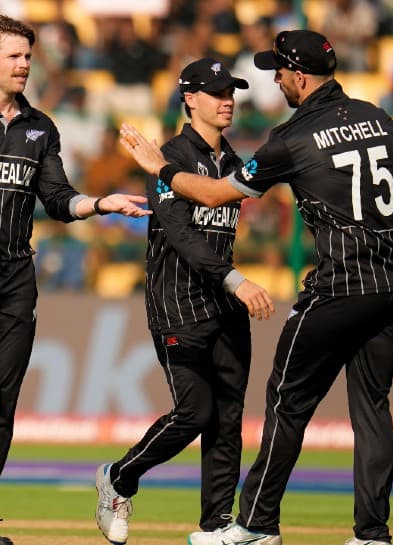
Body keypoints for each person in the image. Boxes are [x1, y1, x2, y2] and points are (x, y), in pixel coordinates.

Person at [119, 29, 393, 545]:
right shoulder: (380, 117)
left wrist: (162, 169)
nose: (276, 80)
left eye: (279, 71)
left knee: (286, 399)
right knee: (372, 406)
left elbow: (215, 193)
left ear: (299, 76)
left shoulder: (292, 137)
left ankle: (258, 526)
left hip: (343, 285)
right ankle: (372, 535)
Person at [0, 14, 149, 545]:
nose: (24, 64)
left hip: (15, 276)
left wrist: (99, 203)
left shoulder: (41, 127)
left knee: (0, 404)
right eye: (13, 56)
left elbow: (58, 199)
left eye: (27, 56)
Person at [93, 58, 275, 545]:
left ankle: (216, 526)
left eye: (232, 92)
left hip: (225, 307)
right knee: (195, 413)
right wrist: (237, 280)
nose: (228, 101)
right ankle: (119, 478)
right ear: (190, 99)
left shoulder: (235, 164)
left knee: (228, 418)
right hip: (178, 303)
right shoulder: (166, 157)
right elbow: (179, 234)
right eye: (217, 93)